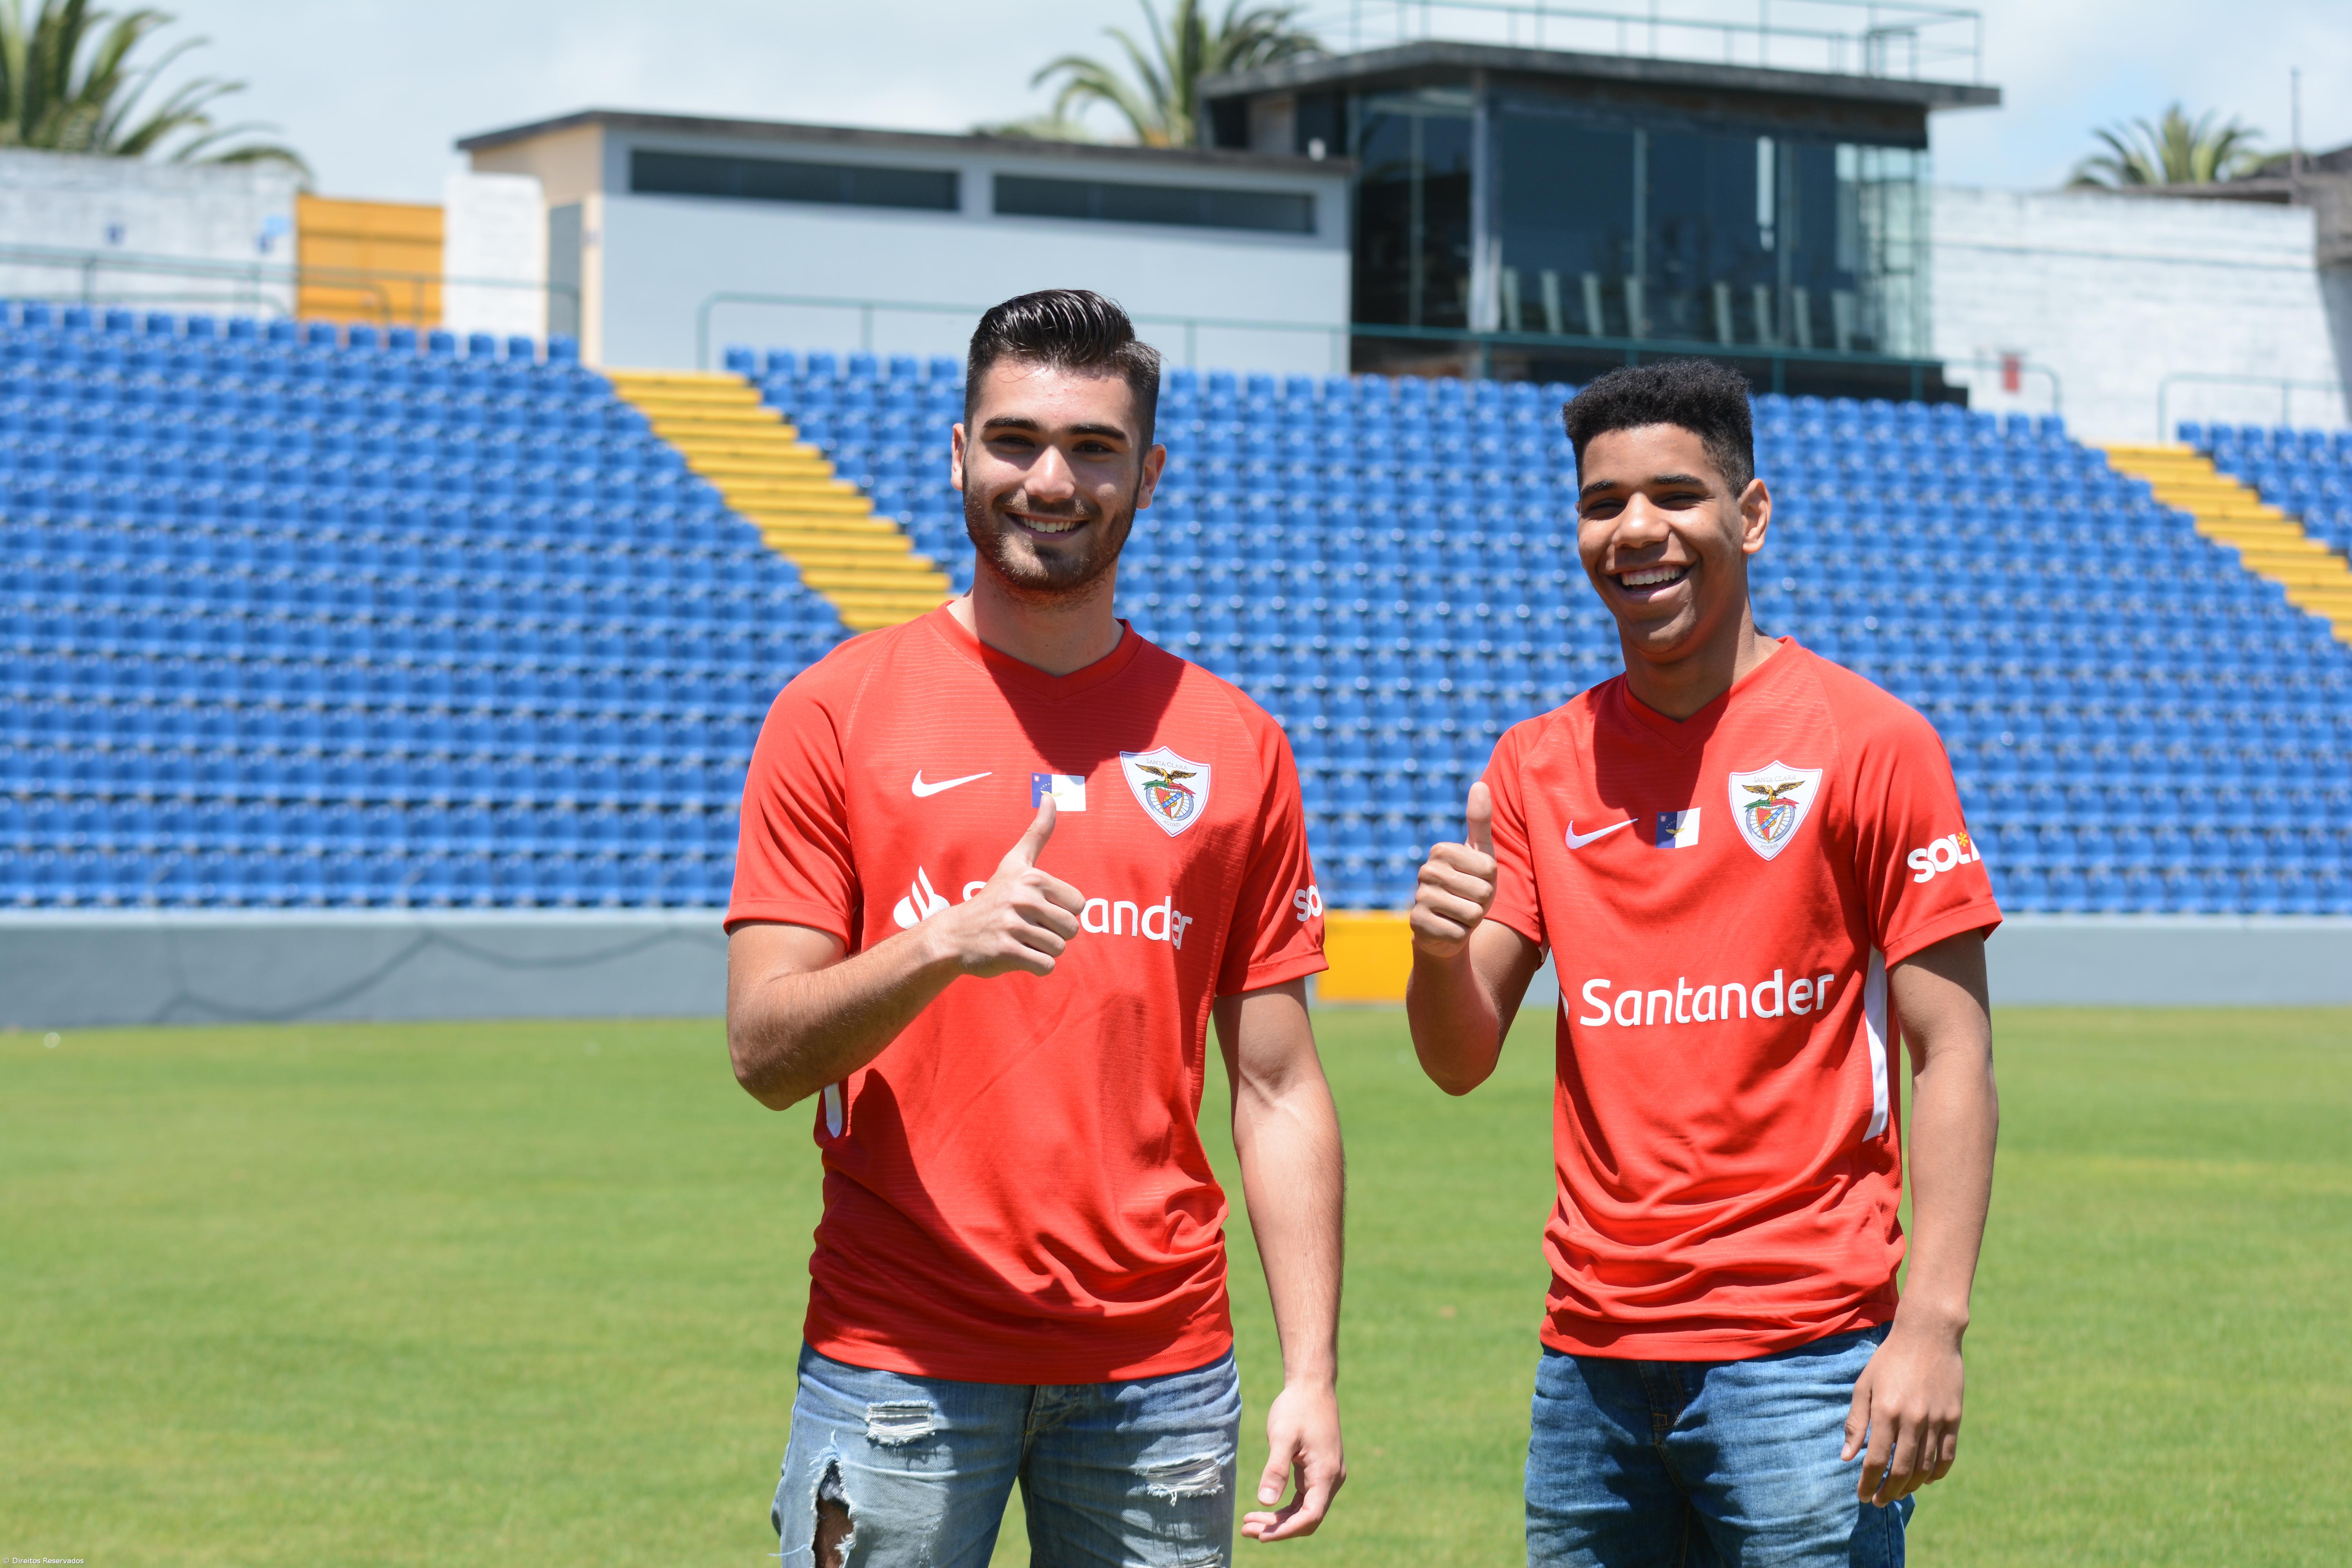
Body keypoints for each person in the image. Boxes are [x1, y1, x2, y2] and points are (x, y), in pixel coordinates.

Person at [724, 289, 1345, 1568]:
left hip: (1160, 1375)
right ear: (959, 454)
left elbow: (1279, 1086)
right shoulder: (836, 714)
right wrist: (938, 943)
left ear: (1149, 474)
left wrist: (1314, 1372)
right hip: (895, 1361)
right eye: (1014, 440)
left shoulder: (1234, 743)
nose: (1050, 478)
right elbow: (765, 1052)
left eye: (1094, 448)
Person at [1405, 358, 2000, 1565]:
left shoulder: (1873, 742)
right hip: (1591, 1362)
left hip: (1806, 1351)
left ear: (1753, 514)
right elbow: (1460, 1057)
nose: (1636, 532)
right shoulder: (1536, 764)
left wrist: (1930, 1325)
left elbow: (1952, 1052)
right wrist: (1432, 949)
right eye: (1601, 502)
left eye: (1675, 495)